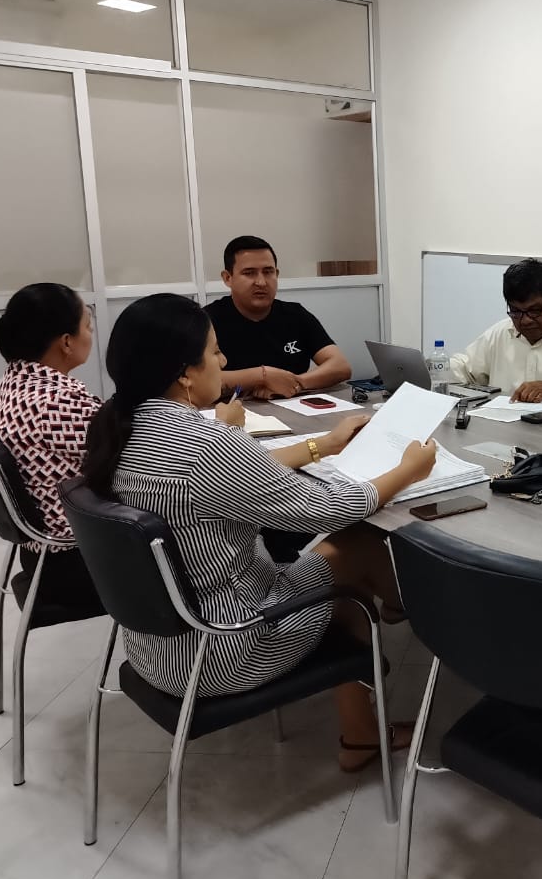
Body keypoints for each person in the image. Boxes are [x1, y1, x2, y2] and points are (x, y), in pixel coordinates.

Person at [82, 294, 438, 771]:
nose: (224, 361)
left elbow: (232, 478)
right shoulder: (205, 442)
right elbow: (329, 510)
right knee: (358, 543)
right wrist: (409, 470)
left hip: (158, 648)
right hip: (226, 646)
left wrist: (323, 445)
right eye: (214, 352)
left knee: (344, 576)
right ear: (184, 373)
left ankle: (362, 733)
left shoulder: (118, 426)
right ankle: (435, 631)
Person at [0, 283, 105, 617]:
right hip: (79, 560)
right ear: (66, 342)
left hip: (42, 555)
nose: (91, 334)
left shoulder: (13, 383)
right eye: (88, 327)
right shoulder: (55, 400)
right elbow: (134, 456)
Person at [207, 235, 353, 399]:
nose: (261, 282)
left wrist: (296, 384)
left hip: (293, 406)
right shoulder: (206, 321)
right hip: (229, 411)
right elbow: (198, 381)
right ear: (228, 278)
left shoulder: (295, 315)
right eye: (249, 273)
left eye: (268, 272)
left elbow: (340, 365)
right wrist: (263, 375)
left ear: (276, 274)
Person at [449, 258, 542, 409]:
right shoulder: (499, 333)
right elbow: (466, 370)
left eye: (534, 310)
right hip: (500, 423)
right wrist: (439, 367)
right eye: (516, 311)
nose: (525, 321)